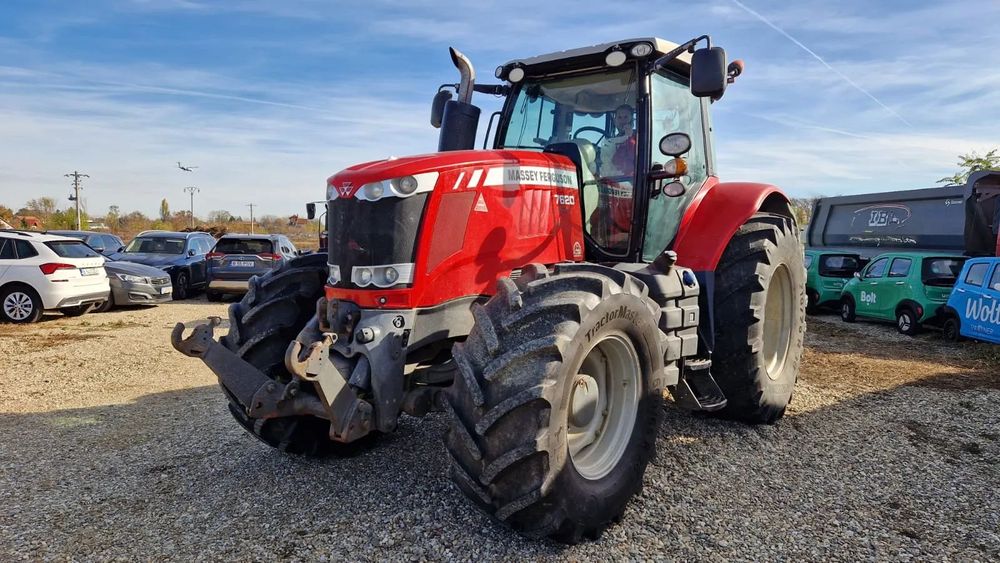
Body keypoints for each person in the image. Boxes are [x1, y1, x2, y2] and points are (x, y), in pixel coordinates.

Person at [590, 104, 637, 250]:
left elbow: (625, 161)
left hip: (629, 184)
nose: (622, 120)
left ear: (632, 120)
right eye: (619, 117)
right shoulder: (612, 140)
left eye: (626, 117)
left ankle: (623, 237)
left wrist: (629, 139)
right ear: (615, 120)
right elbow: (605, 162)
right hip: (610, 182)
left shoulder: (637, 138)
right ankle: (597, 237)